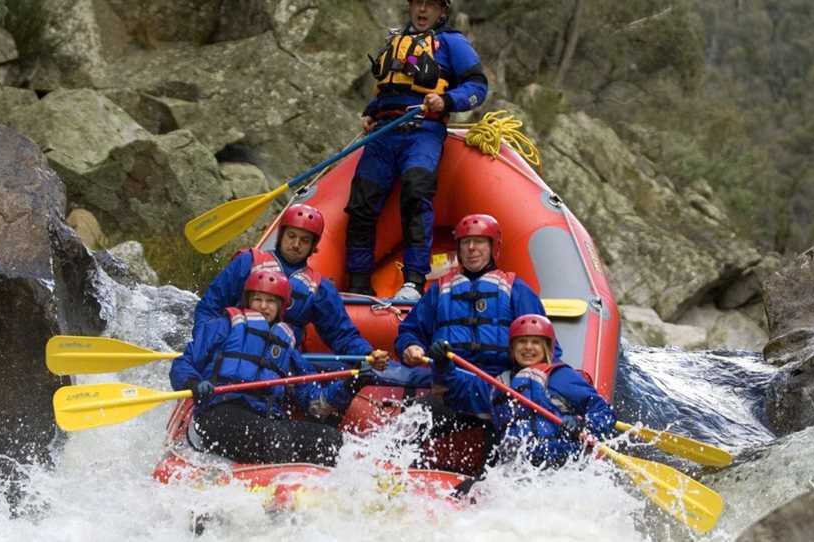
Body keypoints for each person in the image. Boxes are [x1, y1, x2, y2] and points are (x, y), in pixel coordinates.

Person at [344, 0, 488, 300]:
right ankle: (357, 283)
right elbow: (390, 88)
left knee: (416, 192)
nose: (423, 10)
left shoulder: (452, 42)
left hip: (422, 130)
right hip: (384, 134)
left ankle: (413, 281)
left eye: (431, 5)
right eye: (418, 3)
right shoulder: (396, 40)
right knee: (361, 204)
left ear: (442, 11)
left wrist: (447, 101)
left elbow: (477, 87)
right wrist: (370, 111)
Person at [170, 270, 372, 466]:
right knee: (274, 438)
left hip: (264, 419)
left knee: (330, 439)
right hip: (219, 413)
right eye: (258, 299)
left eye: (271, 301)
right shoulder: (224, 326)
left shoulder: (287, 349)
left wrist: (350, 384)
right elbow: (183, 362)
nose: (263, 307)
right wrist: (194, 383)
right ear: (248, 300)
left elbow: (316, 402)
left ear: (280, 307)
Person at [194, 203, 389, 367]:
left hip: (281, 361)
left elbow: (343, 336)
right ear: (281, 236)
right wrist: (203, 346)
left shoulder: (319, 288)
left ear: (313, 246)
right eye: (291, 236)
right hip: (234, 351)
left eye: (304, 240)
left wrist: (367, 355)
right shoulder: (247, 262)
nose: (296, 244)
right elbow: (210, 307)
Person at [429, 314, 617, 467]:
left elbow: (603, 411)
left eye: (535, 342)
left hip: (561, 468)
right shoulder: (499, 384)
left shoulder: (562, 377)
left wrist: (583, 425)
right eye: (522, 342)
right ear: (512, 348)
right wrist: (443, 365)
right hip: (514, 471)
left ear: (547, 349)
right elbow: (458, 393)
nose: (528, 347)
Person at [396, 213, 560, 378]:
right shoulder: (439, 289)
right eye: (466, 242)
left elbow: (547, 346)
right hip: (448, 379)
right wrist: (411, 346)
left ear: (493, 246)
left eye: (479, 241)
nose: (471, 248)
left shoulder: (515, 288)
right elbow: (410, 331)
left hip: (500, 381)